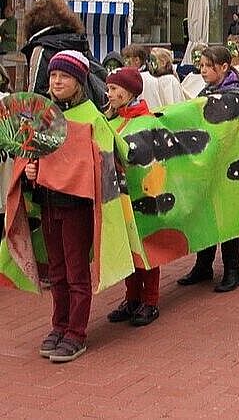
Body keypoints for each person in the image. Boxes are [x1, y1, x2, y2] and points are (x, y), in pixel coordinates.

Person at [20, 51, 128, 362]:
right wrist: (29, 173)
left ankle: (76, 333)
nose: (56, 81)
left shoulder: (92, 118)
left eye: (64, 76)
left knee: (76, 271)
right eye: (53, 76)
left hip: (77, 207)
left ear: (78, 81)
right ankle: (59, 325)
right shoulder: (44, 116)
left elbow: (107, 160)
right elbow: (31, 155)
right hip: (48, 205)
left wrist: (65, 172)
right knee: (56, 271)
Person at [177, 46, 239, 292]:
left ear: (224, 67)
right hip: (208, 164)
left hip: (230, 165)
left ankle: (233, 268)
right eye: (202, 65)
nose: (202, 70)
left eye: (208, 66)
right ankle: (203, 264)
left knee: (227, 216)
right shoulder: (206, 90)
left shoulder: (235, 94)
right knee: (205, 214)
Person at [104, 67, 160, 327]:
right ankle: (132, 298)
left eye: (114, 89)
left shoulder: (145, 122)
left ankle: (150, 300)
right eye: (109, 89)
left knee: (147, 248)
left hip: (144, 197)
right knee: (129, 249)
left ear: (129, 92)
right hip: (122, 196)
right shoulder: (112, 120)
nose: (110, 94)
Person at [20, 0, 107, 109]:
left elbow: (35, 95)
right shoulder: (78, 43)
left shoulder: (42, 49)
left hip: (56, 120)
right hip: (85, 109)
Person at [122, 44, 162, 108]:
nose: (125, 63)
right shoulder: (151, 76)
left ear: (137, 60)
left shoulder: (144, 78)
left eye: (127, 58)